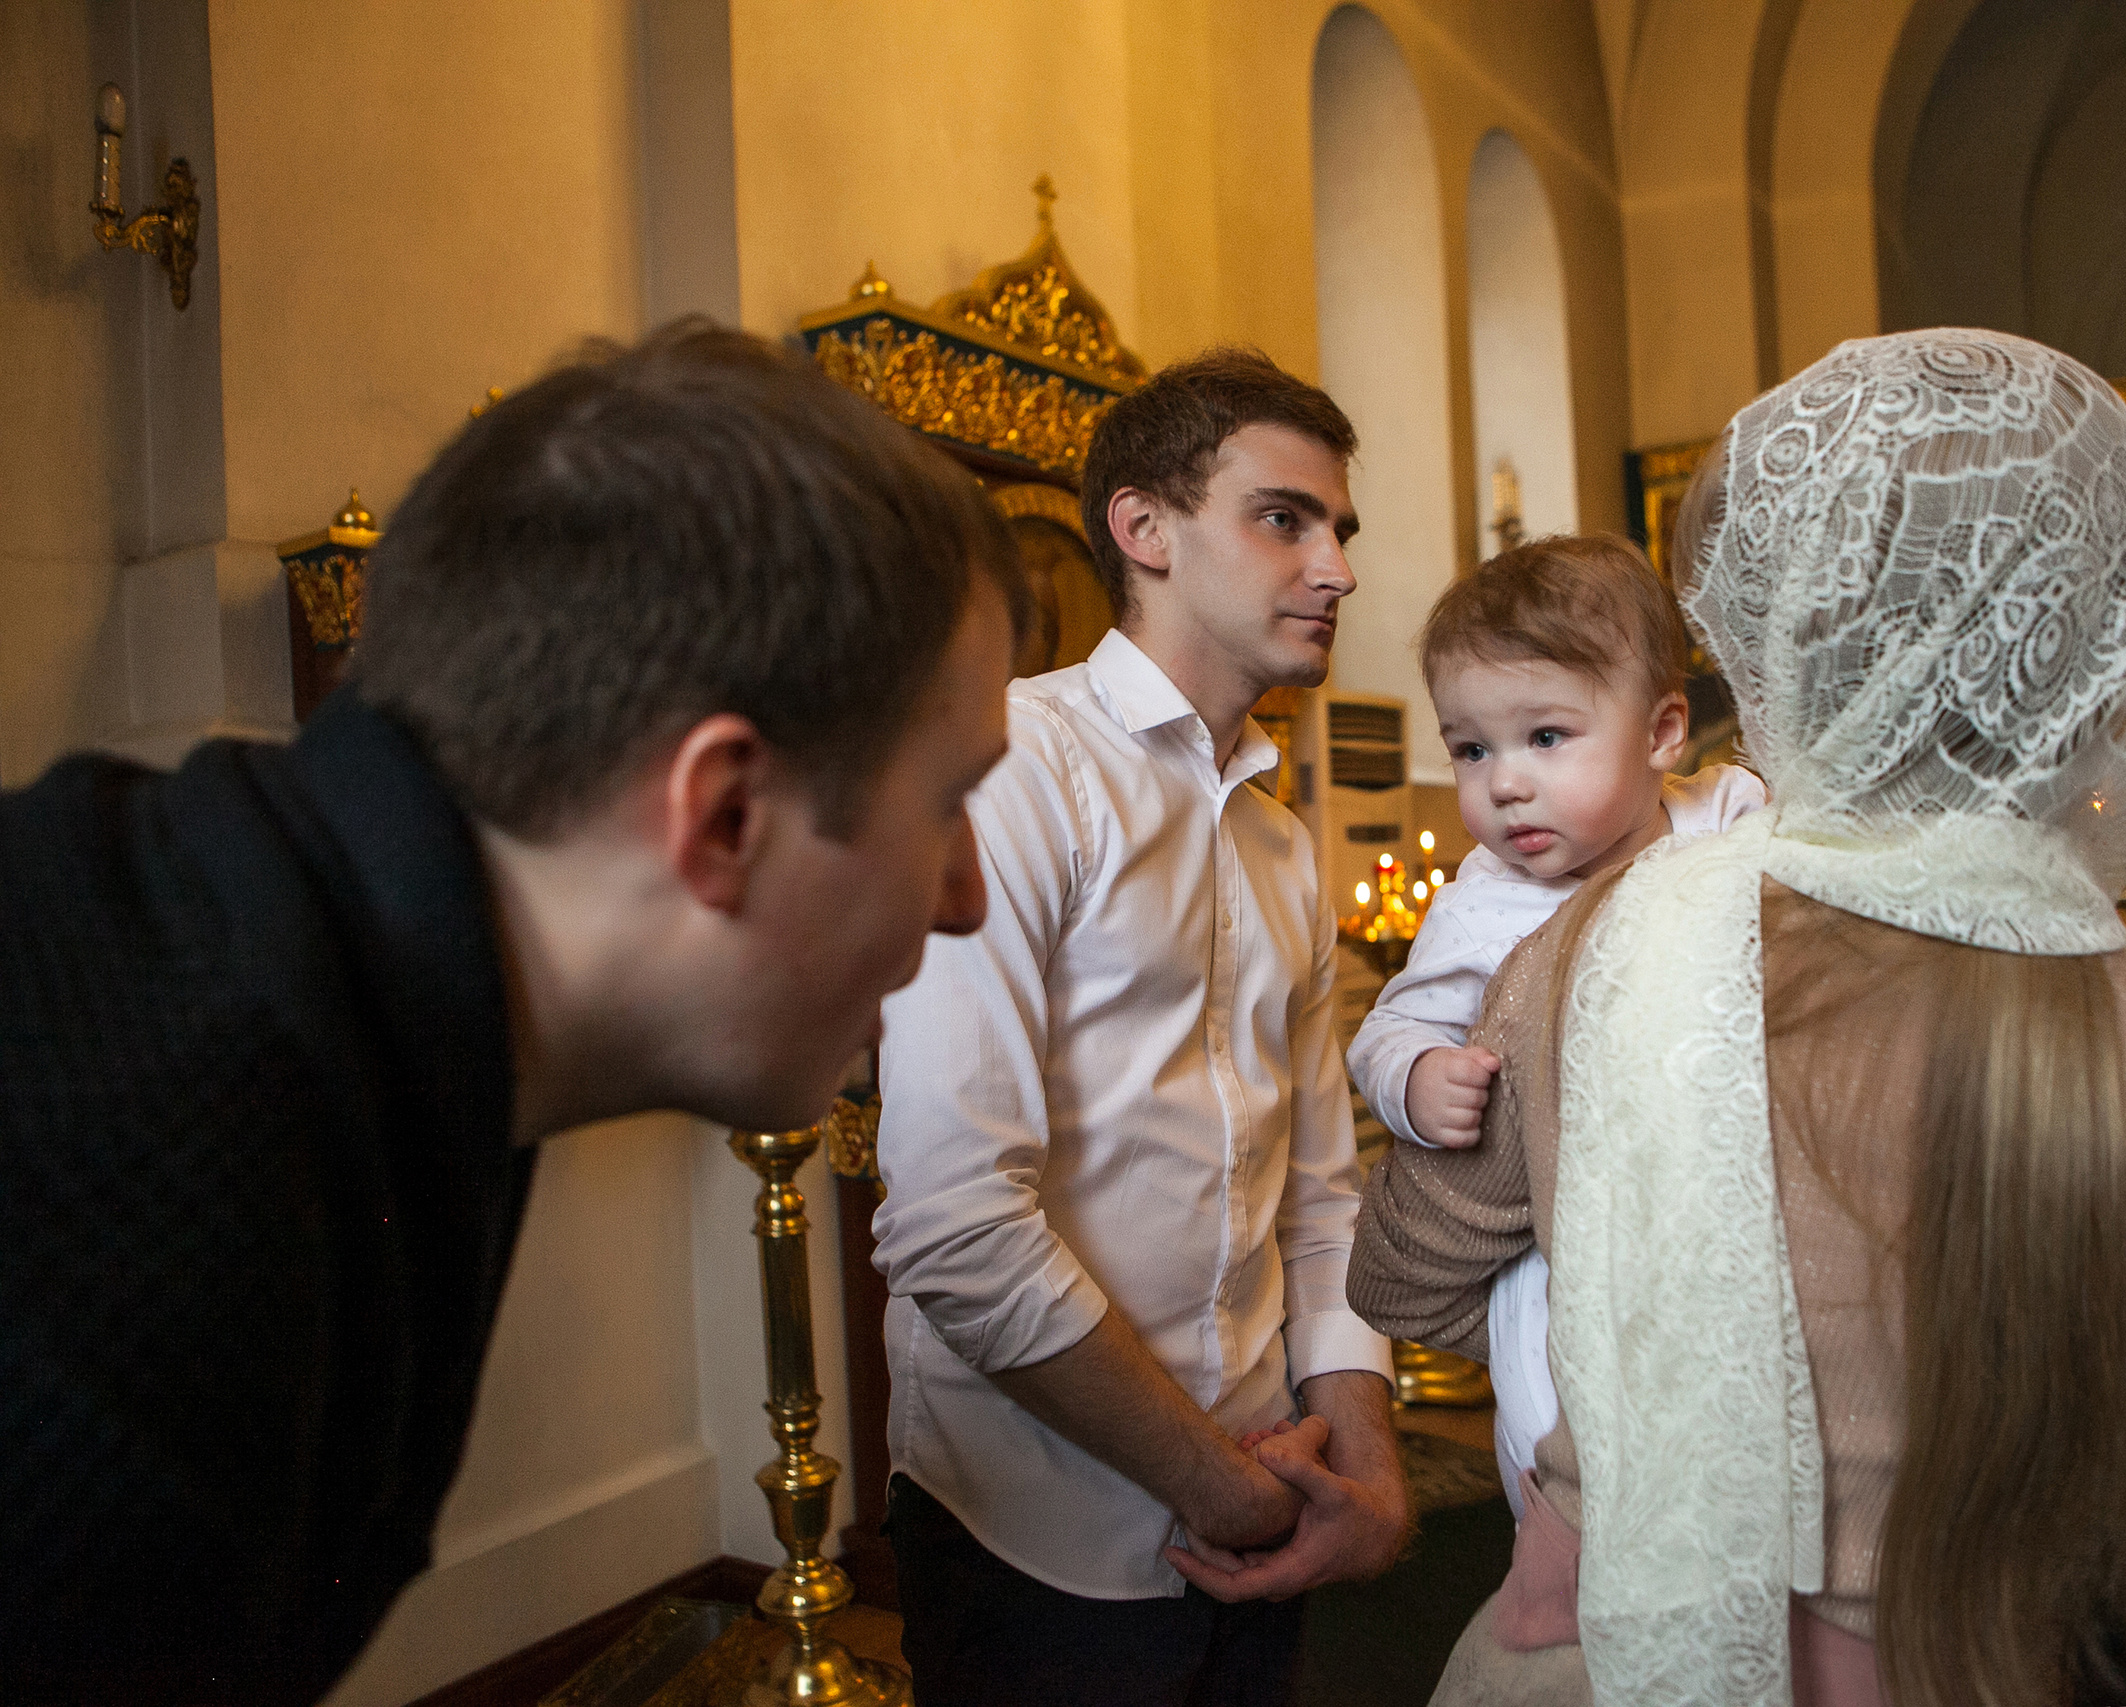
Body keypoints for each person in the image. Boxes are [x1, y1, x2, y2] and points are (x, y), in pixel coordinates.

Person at [1349, 330, 2126, 1707]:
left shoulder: (1616, 945)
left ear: (1783, 645)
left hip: (1595, 1650)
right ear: (2112, 663)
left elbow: (1404, 1279)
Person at [0, 321, 1022, 1705]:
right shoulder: (142, 1205)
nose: (965, 896)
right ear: (724, 814)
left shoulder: (336, 978)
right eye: (948, 798)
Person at [870, 347, 1406, 1706]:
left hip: (1272, 1489)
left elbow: (1325, 1198)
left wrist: (1368, 1468)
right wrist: (1219, 1485)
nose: (1337, 565)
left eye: (1340, 528)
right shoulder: (1014, 769)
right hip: (1039, 1534)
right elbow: (954, 1222)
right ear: (1144, 528)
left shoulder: (1283, 847)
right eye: (1286, 518)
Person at [1344, 534, 1764, 1517]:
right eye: (1470, 748)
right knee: (1567, 1448)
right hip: (1560, 1242)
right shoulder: (1482, 906)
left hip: (1725, 1211)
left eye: (1545, 738)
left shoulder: (1729, 818)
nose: (1505, 783)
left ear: (1663, 731)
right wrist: (1416, 1077)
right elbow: (1386, 1027)